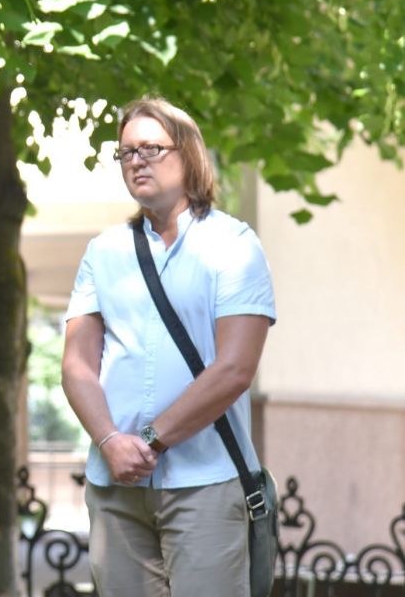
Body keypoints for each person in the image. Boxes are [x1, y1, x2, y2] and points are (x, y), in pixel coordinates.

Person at [61, 97, 277, 596]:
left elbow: (234, 369)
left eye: (151, 149)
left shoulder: (233, 245)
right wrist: (110, 442)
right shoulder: (104, 252)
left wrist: (149, 442)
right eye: (126, 152)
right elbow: (76, 366)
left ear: (188, 153)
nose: (136, 161)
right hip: (115, 487)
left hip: (205, 482)